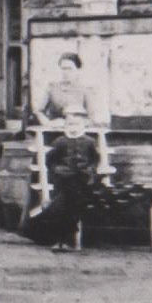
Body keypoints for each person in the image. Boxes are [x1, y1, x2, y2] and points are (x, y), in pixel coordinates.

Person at [21, 106, 102, 251]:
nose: (73, 128)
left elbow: (95, 160)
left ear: (83, 125)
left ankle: (57, 236)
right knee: (66, 203)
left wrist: (91, 171)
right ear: (65, 126)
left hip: (84, 180)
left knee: (67, 202)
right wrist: (58, 170)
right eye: (70, 124)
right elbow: (50, 161)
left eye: (77, 124)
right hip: (65, 179)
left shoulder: (89, 141)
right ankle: (62, 238)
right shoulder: (60, 142)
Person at [33, 52, 94, 125]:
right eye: (63, 69)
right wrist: (48, 123)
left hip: (77, 131)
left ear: (78, 70)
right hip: (54, 132)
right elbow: (38, 111)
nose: (66, 72)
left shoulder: (84, 91)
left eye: (69, 69)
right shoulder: (52, 88)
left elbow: (91, 118)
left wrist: (77, 123)